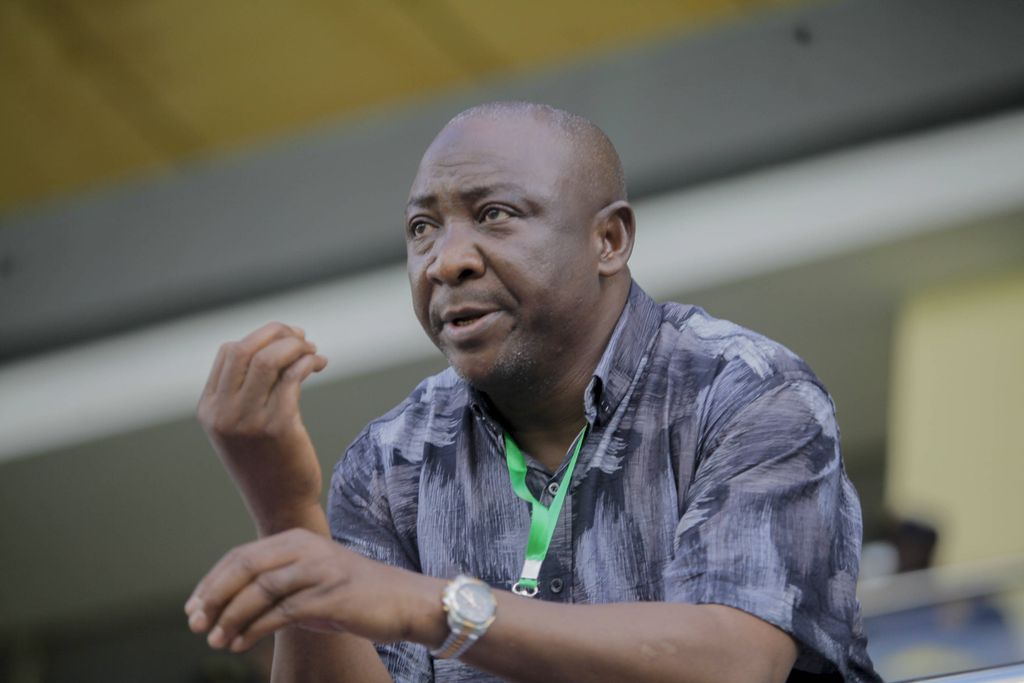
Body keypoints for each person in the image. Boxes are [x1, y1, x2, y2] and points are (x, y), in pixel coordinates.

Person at [185, 102, 880, 682]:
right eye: (423, 228)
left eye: (494, 214)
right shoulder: (391, 463)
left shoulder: (744, 391)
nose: (447, 261)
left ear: (608, 239)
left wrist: (435, 607)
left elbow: (735, 662)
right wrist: (285, 507)